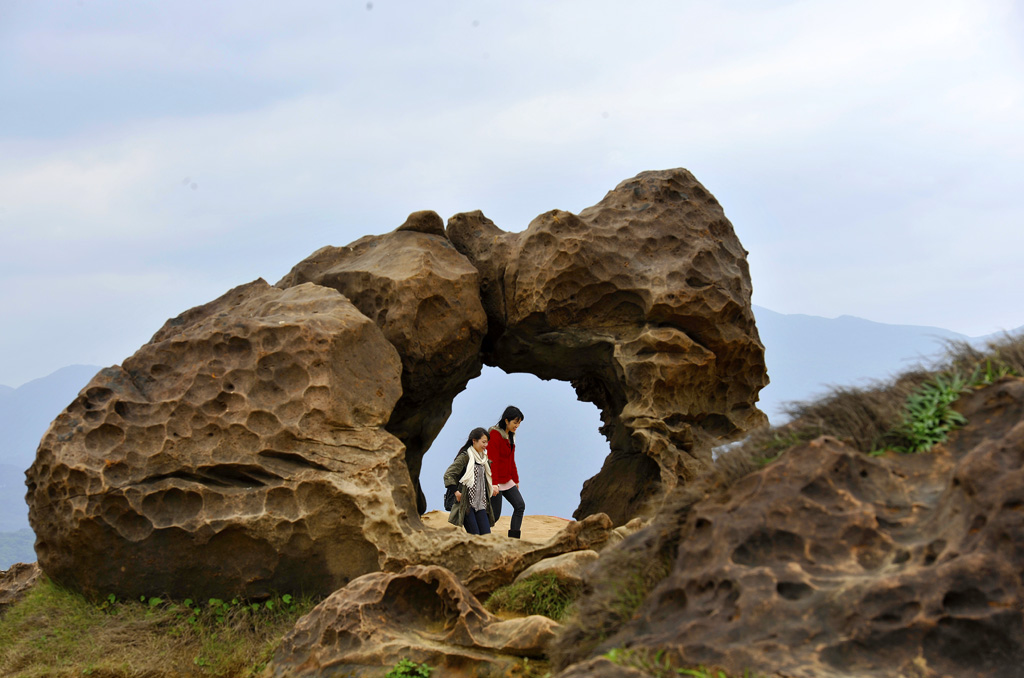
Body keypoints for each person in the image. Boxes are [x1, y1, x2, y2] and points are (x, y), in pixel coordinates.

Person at [444, 427, 498, 535]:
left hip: (481, 504)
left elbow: (485, 479)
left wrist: (493, 486)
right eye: (483, 442)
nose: (485, 445)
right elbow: (448, 475)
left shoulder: (484, 460)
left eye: (487, 442)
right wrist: (456, 492)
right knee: (475, 537)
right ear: (474, 440)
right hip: (467, 505)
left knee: (486, 537)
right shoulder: (465, 457)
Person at [487, 405, 526, 539]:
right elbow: (492, 461)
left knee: (519, 505)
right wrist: (494, 483)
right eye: (515, 422)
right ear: (506, 421)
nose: (517, 425)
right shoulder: (494, 434)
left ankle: (513, 540)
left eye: (519, 423)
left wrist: (516, 480)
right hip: (495, 480)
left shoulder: (511, 436)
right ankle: (479, 535)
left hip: (507, 479)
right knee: (495, 516)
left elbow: (511, 460)